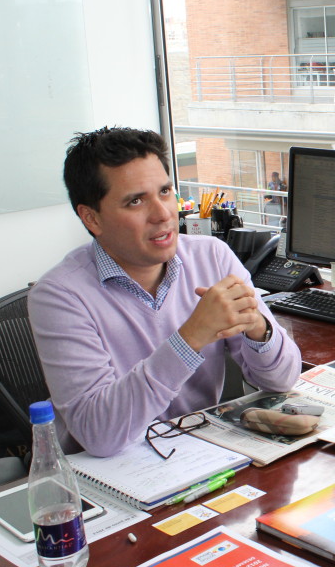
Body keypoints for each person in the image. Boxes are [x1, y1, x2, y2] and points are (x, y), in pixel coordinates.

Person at [29, 127, 302, 457]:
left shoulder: (212, 257)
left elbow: (283, 381)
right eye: (135, 201)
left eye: (165, 191)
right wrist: (191, 337)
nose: (162, 214)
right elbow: (99, 435)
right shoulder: (59, 296)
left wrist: (259, 328)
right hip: (113, 468)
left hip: (199, 451)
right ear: (92, 218)